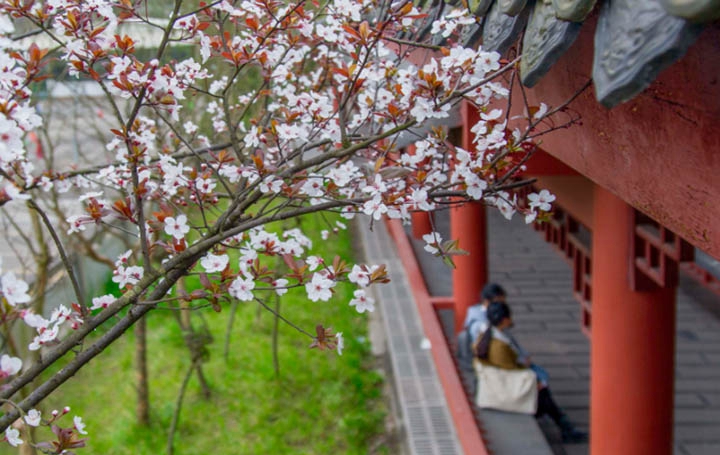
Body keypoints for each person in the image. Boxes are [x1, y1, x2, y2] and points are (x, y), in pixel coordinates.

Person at [476, 301, 588, 443]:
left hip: (502, 380)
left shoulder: (488, 334)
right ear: (504, 320)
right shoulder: (499, 346)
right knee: (543, 394)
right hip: (506, 387)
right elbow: (512, 371)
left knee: (544, 393)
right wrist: (531, 374)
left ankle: (564, 425)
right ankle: (565, 426)